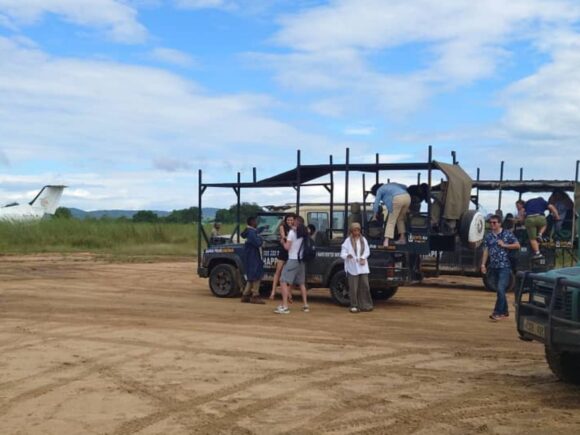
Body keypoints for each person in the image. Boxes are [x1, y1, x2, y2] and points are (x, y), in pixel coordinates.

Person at [481, 214, 520, 321]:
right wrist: (483, 264)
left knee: (500, 288)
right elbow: (486, 251)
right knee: (499, 290)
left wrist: (505, 245)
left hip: (505, 266)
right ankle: (505, 311)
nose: (492, 224)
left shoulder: (507, 234)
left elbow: (517, 245)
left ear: (499, 223)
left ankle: (497, 312)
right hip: (493, 266)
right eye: (490, 222)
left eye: (494, 222)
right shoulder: (488, 236)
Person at [275, 217, 309, 314]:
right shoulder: (305, 232)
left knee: (283, 281)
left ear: (295, 223)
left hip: (293, 259)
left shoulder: (291, 233)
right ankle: (305, 305)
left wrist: (283, 241)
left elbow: (287, 247)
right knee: (301, 283)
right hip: (301, 260)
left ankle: (285, 306)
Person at [340, 222, 373, 313]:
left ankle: (366, 305)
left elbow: (367, 251)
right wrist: (348, 256)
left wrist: (363, 258)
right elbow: (343, 253)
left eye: (358, 230)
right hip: (352, 267)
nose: (356, 232)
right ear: (351, 231)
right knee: (353, 287)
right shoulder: (347, 241)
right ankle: (354, 305)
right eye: (355, 230)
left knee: (365, 286)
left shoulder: (364, 240)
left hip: (362, 266)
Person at [371, 182, 411, 247]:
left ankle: (386, 241)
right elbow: (405, 186)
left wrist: (374, 215)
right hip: (407, 197)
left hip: (398, 198)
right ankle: (402, 238)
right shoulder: (391, 184)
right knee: (400, 219)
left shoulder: (379, 190)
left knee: (391, 221)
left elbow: (376, 203)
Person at [240, 216, 265, 304]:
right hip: (253, 256)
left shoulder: (249, 231)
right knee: (256, 275)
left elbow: (257, 231)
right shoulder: (251, 233)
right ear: (252, 222)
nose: (256, 223)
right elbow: (257, 243)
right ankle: (255, 295)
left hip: (250, 255)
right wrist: (261, 239)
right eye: (255, 221)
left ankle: (245, 295)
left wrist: (263, 228)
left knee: (251, 276)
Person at [270, 214, 295, 301]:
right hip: (284, 251)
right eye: (288, 220)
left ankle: (289, 293)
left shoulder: (295, 228)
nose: (290, 221)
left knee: (290, 273)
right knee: (278, 271)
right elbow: (283, 237)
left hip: (291, 252)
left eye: (291, 220)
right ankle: (273, 291)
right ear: (285, 220)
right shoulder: (282, 226)